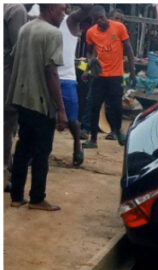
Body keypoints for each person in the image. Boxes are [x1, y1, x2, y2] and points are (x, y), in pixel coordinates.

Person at [6, 3, 68, 211]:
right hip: (41, 102)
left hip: (22, 98)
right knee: (42, 151)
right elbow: (52, 73)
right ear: (51, 11)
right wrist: (60, 109)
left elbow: (13, 57)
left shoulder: (26, 28)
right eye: (62, 10)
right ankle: (37, 198)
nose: (64, 15)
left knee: (23, 147)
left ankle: (16, 196)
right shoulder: (52, 33)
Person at [83, 5, 134, 149]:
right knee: (94, 107)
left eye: (102, 18)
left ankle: (118, 131)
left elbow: (128, 49)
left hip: (115, 75)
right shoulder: (91, 33)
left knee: (116, 107)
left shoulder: (119, 28)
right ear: (93, 21)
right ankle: (93, 139)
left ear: (106, 17)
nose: (101, 21)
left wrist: (132, 71)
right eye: (97, 19)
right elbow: (89, 52)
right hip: (99, 75)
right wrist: (89, 66)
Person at [58, 6, 88, 166]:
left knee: (73, 120)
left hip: (66, 77)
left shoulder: (70, 21)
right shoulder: (42, 18)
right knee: (42, 117)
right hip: (45, 75)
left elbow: (87, 8)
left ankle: (77, 144)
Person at [4, 3, 28, 186]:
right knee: (8, 119)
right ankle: (4, 167)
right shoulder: (17, 10)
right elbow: (19, 50)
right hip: (7, 73)